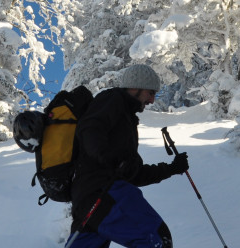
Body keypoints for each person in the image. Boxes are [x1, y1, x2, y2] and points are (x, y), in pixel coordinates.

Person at [66, 64, 190, 248]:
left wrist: (171, 169)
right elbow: (90, 129)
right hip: (103, 191)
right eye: (150, 93)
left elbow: (133, 173)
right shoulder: (113, 99)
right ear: (136, 87)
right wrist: (109, 158)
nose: (152, 100)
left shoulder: (126, 118)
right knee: (155, 238)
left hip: (88, 200)